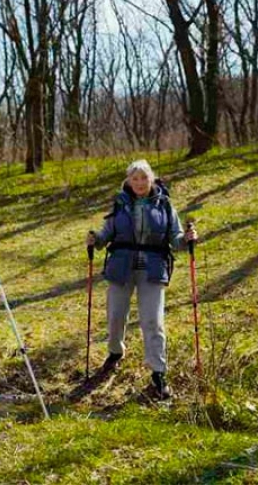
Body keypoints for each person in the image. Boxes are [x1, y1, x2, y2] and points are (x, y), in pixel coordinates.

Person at [86, 159, 197, 400]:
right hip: (121, 266)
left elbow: (175, 238)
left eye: (143, 178)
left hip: (153, 267)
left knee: (152, 321)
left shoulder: (165, 205)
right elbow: (107, 233)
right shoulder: (120, 203)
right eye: (134, 178)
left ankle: (158, 373)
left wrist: (187, 238)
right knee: (115, 316)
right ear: (128, 181)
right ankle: (116, 352)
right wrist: (96, 238)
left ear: (152, 179)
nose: (139, 183)